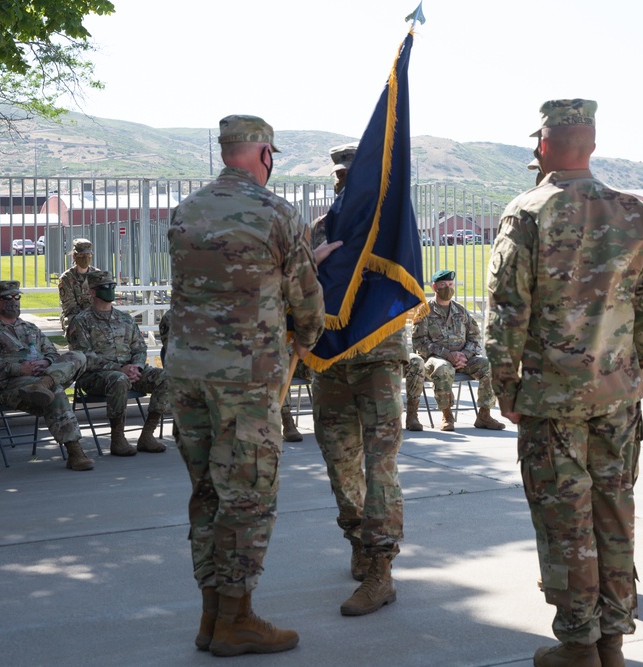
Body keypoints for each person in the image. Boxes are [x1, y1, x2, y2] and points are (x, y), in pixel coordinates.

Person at [485, 99, 643, 667]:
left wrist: (504, 384)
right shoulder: (633, 212)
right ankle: (612, 640)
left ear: (543, 144)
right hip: (616, 393)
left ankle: (579, 644)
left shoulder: (529, 210)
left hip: (551, 396)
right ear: (591, 145)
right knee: (615, 510)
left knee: (566, 519)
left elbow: (508, 308)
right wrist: (638, 369)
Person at [165, 115, 325, 657]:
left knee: (206, 492)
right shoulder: (275, 212)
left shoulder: (187, 210)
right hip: (245, 378)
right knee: (247, 496)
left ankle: (211, 616)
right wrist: (304, 339)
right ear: (265, 154)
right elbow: (307, 304)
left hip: (186, 370)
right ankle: (236, 619)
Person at [311, 141, 406, 617]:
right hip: (330, 364)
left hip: (379, 363)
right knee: (339, 462)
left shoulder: (390, 232)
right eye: (339, 175)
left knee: (379, 465)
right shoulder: (316, 231)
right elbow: (296, 291)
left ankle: (381, 569)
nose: (344, 182)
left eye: (354, 175)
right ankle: (358, 540)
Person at [0, 280, 92, 471]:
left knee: (78, 356)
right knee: (57, 391)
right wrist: (19, 369)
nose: (13, 301)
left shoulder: (30, 328)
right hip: (12, 386)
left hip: (42, 376)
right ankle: (75, 451)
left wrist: (46, 363)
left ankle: (45, 383)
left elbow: (51, 352)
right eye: (7, 298)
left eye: (17, 297)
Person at [67, 270, 168, 456]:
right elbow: (85, 356)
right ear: (92, 292)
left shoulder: (125, 318)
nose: (110, 290)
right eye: (105, 287)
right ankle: (117, 439)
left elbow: (139, 348)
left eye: (112, 286)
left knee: (166, 377)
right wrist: (119, 368)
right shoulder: (81, 322)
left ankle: (147, 435)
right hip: (95, 377)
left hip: (129, 371)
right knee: (119, 379)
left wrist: (137, 366)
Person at [407, 268, 505, 432]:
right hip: (435, 360)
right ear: (434, 287)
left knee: (490, 365)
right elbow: (419, 343)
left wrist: (464, 355)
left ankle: (484, 415)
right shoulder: (424, 312)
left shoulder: (460, 311)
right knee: (443, 368)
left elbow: (474, 337)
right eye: (443, 284)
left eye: (450, 284)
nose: (447, 287)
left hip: (463, 359)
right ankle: (447, 416)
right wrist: (447, 355)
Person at [58, 238, 99, 331]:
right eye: (81, 254)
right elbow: (69, 306)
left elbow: (101, 300)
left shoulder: (97, 274)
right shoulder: (66, 278)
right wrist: (89, 317)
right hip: (74, 316)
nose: (85, 257)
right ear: (74, 256)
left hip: (95, 314)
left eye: (87, 254)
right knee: (78, 326)